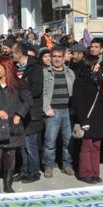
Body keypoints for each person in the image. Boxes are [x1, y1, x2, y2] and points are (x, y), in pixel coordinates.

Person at [0, 56, 32, 194]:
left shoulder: (19, 84)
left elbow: (27, 101)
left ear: (7, 68)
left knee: (10, 155)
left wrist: (19, 114)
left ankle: (8, 184)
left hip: (13, 125)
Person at [72, 54, 103, 183]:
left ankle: (94, 172)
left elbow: (102, 102)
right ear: (89, 66)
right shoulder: (80, 81)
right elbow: (78, 102)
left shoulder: (98, 80)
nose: (98, 66)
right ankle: (85, 173)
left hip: (98, 119)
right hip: (86, 118)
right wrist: (84, 121)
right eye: (96, 63)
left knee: (96, 147)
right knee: (86, 147)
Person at [12, 42, 44, 183]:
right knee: (22, 144)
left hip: (31, 111)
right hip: (18, 111)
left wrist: (23, 96)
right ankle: (24, 170)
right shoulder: (14, 67)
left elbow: (37, 89)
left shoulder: (35, 67)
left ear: (20, 54)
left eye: (13, 52)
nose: (11, 55)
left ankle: (34, 171)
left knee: (31, 145)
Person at [42, 46, 76, 178]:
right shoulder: (45, 73)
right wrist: (46, 108)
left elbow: (75, 92)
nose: (56, 59)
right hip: (53, 111)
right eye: (54, 56)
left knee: (68, 140)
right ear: (51, 58)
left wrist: (74, 107)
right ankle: (48, 166)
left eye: (59, 56)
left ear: (63, 58)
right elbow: (43, 92)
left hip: (68, 111)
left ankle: (67, 165)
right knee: (50, 141)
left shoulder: (70, 73)